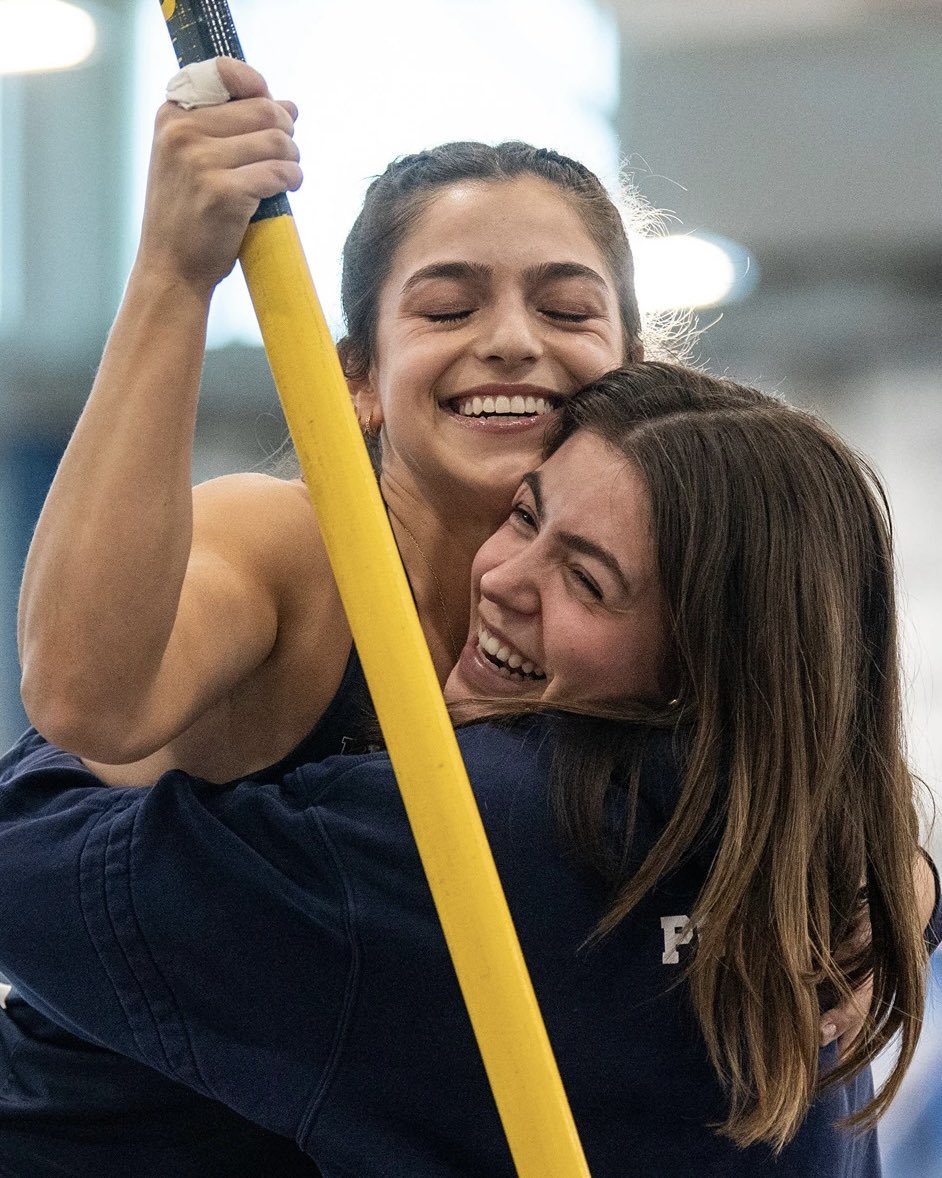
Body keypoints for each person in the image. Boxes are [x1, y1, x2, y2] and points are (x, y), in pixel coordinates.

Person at [0, 364, 937, 1177]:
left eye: (586, 580)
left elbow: (27, 870)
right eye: (523, 516)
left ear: (708, 665)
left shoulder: (484, 838)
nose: (502, 578)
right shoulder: (819, 839)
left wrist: (137, 708)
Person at [5, 57, 647, 1173]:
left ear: (633, 363)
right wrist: (172, 272)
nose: (509, 339)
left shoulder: (667, 581)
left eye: (566, 307)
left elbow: (815, 763)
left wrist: (894, 897)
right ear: (358, 377)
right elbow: (84, 698)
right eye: (449, 306)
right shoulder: (297, 553)